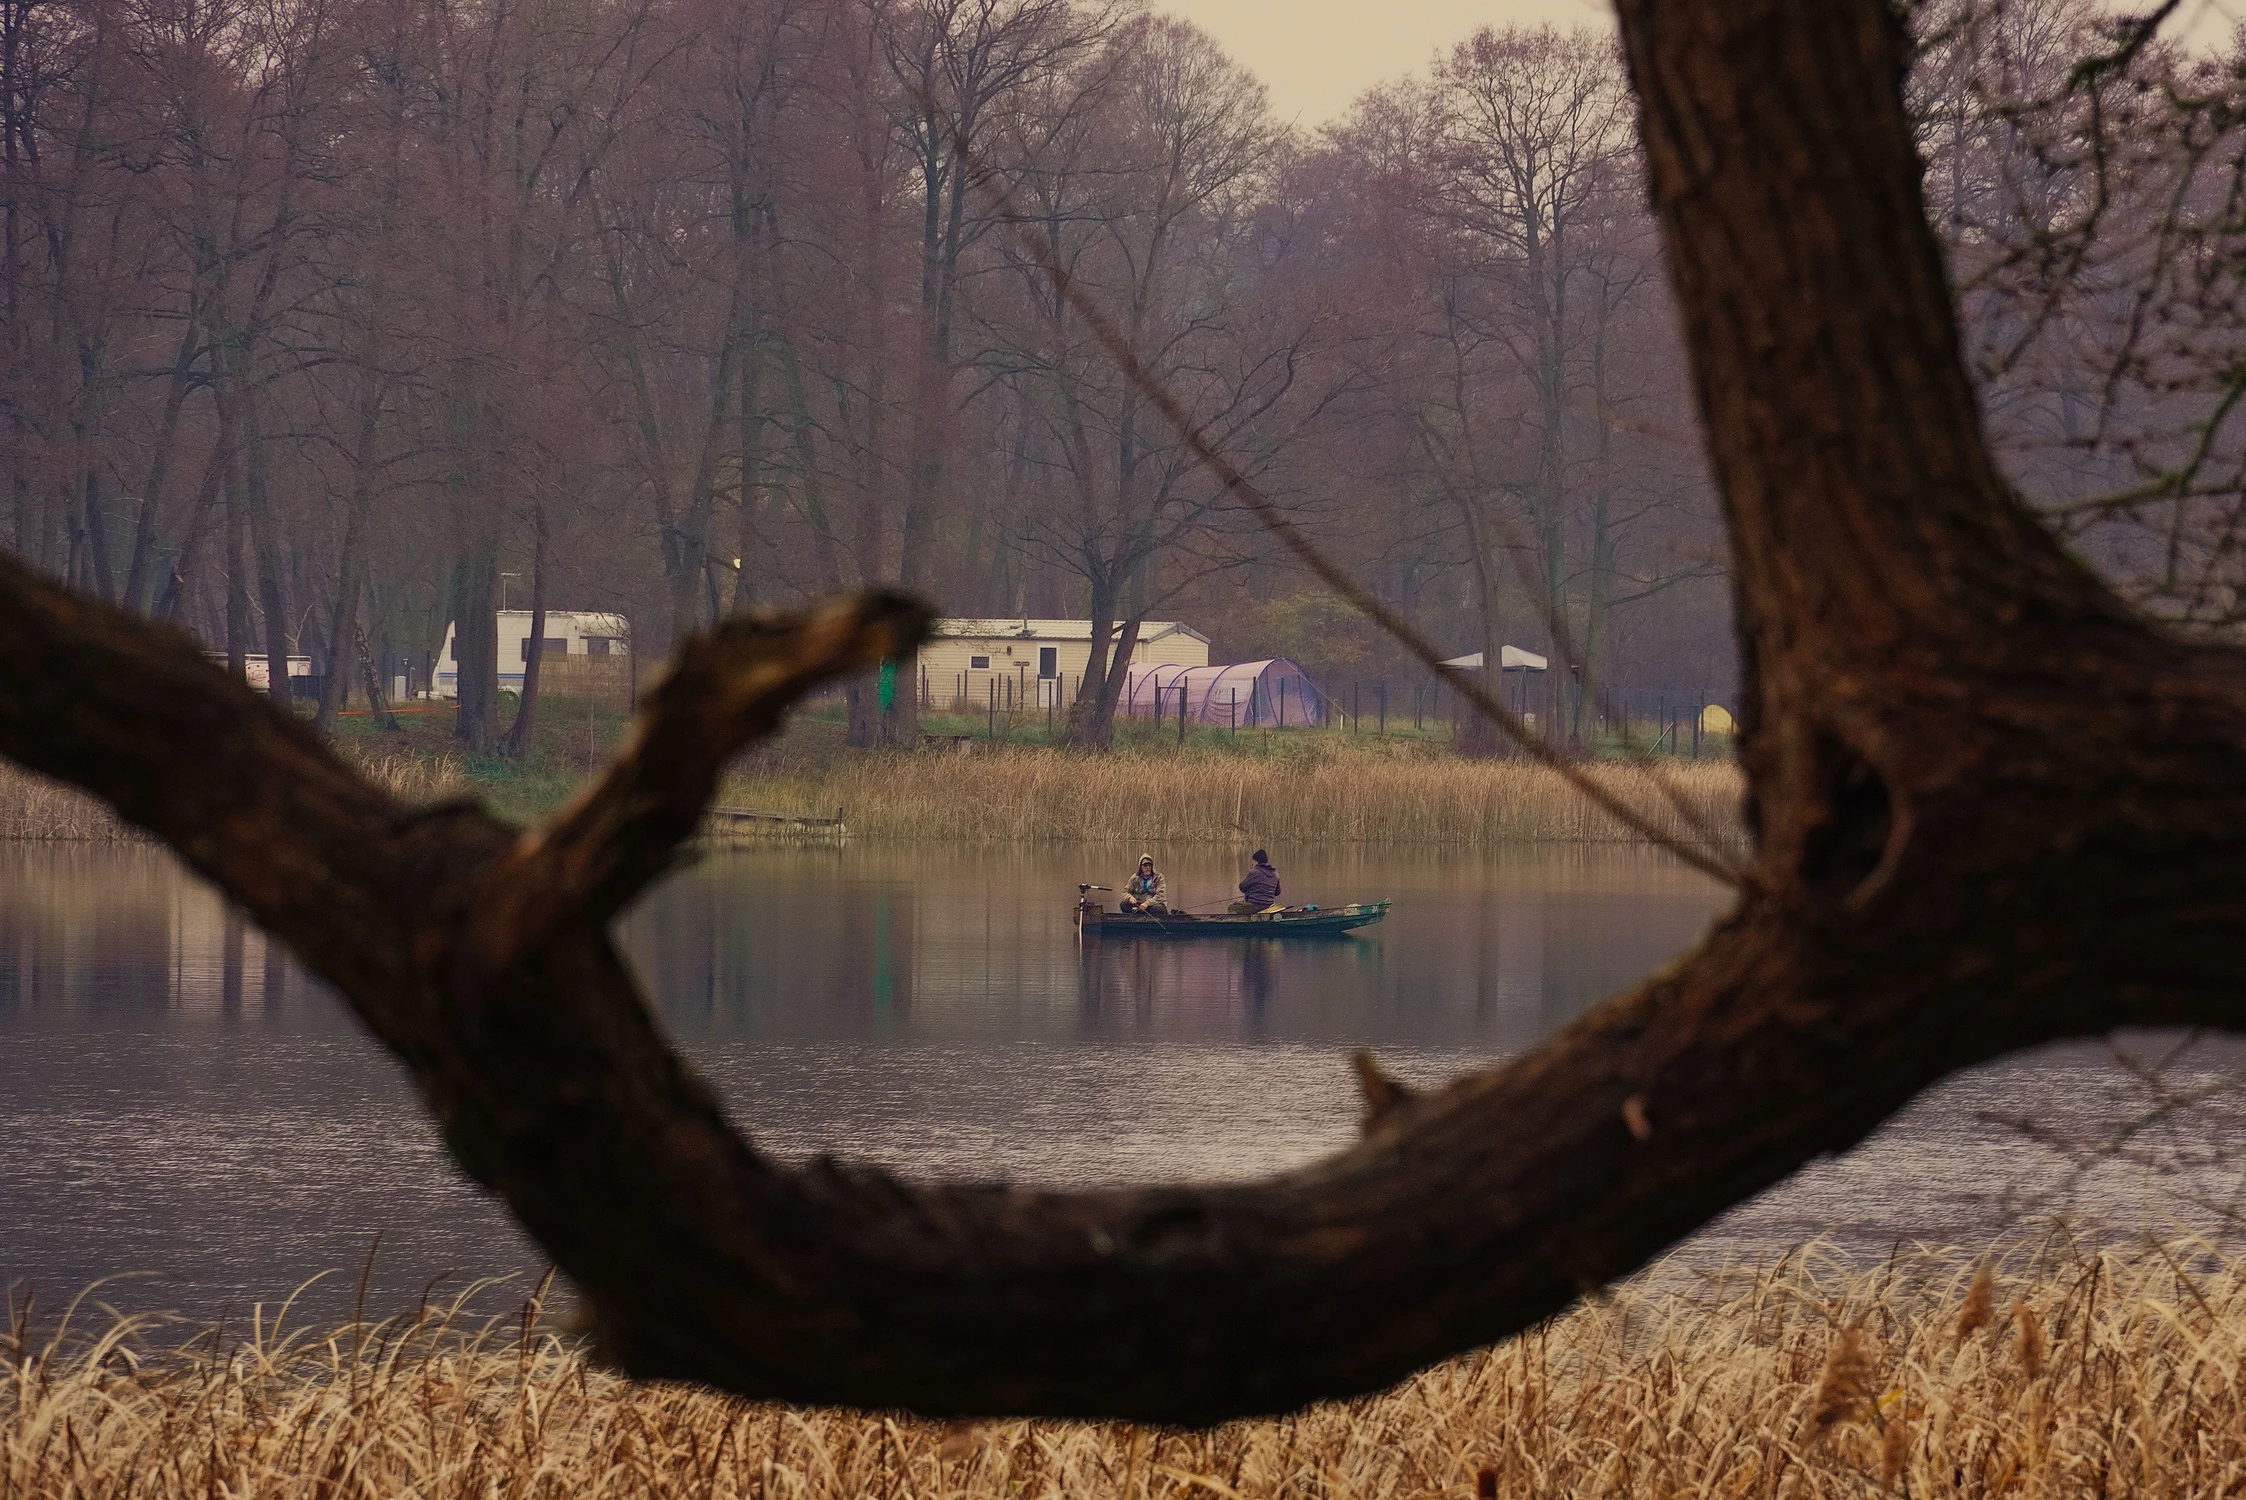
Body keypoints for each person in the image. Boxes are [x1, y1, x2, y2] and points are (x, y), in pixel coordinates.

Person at [1232, 849, 1281, 913]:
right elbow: (1277, 892)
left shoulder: (1254, 872)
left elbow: (1242, 887)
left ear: (1256, 861)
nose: (1252, 863)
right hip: (1269, 907)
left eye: (1253, 861)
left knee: (1232, 907)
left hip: (1254, 907)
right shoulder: (1275, 874)